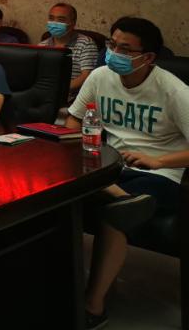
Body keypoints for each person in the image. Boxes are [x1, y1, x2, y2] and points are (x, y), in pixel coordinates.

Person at [66, 17, 189, 329]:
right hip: (112, 166)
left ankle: (93, 306)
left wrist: (159, 161)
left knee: (117, 215)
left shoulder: (174, 91)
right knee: (59, 194)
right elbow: (74, 120)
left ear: (148, 57)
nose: (114, 53)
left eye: (125, 49)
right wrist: (79, 145)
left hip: (160, 175)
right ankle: (120, 196)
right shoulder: (100, 76)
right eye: (112, 44)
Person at [38, 2, 99, 100]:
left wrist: (59, 90)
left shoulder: (86, 43)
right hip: (44, 97)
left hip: (73, 99)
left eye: (61, 20)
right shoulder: (41, 46)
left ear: (73, 23)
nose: (54, 23)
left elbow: (87, 76)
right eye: (51, 18)